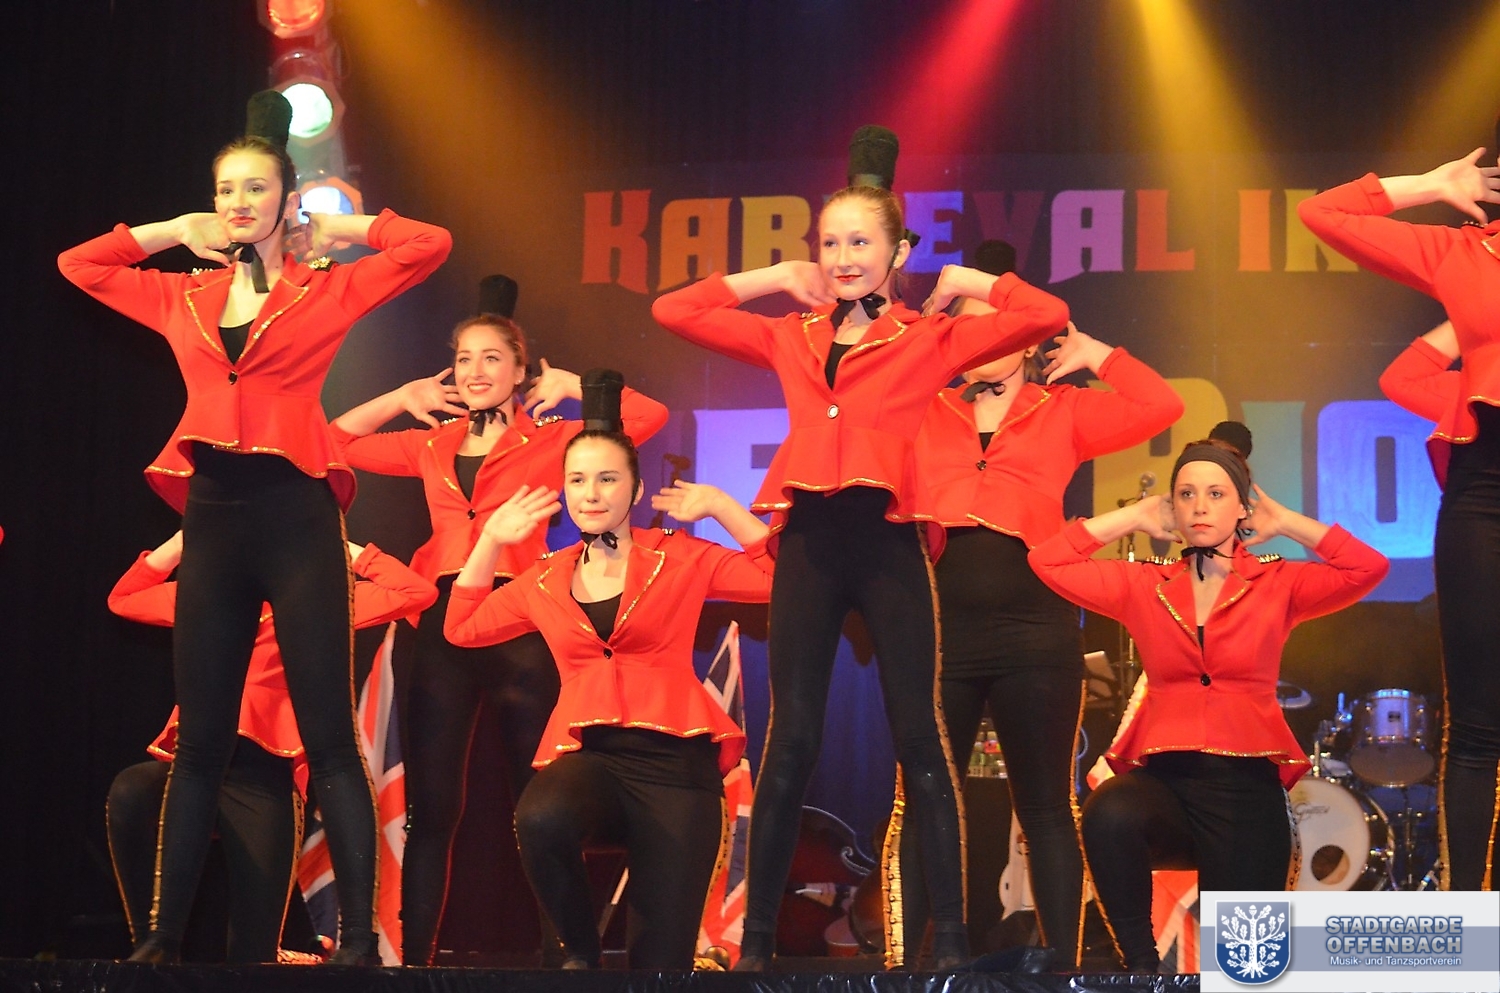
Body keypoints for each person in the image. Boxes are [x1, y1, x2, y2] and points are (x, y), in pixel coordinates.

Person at [651, 128, 1069, 969]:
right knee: (791, 740)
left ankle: (950, 940)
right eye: (830, 244)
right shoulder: (791, 333)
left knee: (921, 738)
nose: (842, 259)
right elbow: (675, 311)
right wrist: (776, 276)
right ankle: (757, 942)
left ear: (898, 251)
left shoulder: (928, 337)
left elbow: (1044, 316)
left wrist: (968, 281)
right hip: (809, 543)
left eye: (860, 243)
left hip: (889, 544)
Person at [57, 90, 452, 963]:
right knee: (199, 740)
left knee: (330, 737)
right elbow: (78, 264)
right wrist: (172, 229)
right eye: (225, 189)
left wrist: (341, 227)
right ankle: (161, 939)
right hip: (215, 518)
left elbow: (429, 245)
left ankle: (359, 941)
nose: (238, 202)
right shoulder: (185, 296)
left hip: (297, 517)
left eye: (255, 188)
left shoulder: (325, 291)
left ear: (284, 199)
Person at [328, 278, 668, 963]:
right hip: (439, 622)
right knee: (432, 807)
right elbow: (333, 440)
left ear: (520, 372)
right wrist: (401, 397)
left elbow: (647, 417)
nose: (475, 371)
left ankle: (562, 957)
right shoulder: (432, 444)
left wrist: (572, 387)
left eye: (492, 358)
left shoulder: (554, 439)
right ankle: (415, 962)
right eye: (464, 359)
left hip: (519, 620)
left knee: (537, 799)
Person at [889, 241, 1183, 971]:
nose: (980, 339)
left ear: (1025, 339)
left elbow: (1162, 405)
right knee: (926, 799)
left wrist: (1096, 354)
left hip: (1036, 629)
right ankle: (908, 970)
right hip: (938, 629)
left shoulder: (1064, 410)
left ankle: (1063, 970)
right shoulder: (920, 408)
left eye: (996, 325)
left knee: (1047, 804)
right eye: (966, 327)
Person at [444, 371, 773, 970]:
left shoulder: (679, 557)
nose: (590, 493)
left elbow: (779, 577)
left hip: (677, 770)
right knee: (540, 816)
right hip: (592, 759)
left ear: (636, 488)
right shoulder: (545, 577)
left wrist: (722, 506)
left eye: (606, 478)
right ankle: (580, 955)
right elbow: (461, 627)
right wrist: (489, 539)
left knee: (659, 967)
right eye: (576, 480)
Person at [1027, 430, 1388, 972]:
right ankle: (1142, 972)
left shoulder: (1276, 582)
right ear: (1172, 507)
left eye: (1216, 494)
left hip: (1246, 792)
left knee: (1244, 968)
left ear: (1242, 507)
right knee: (1109, 810)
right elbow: (1048, 562)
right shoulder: (1143, 584)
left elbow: (1367, 567)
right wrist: (1133, 517)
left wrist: (1286, 521)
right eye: (1186, 494)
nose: (1199, 506)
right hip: (1166, 787)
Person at [1299, 152, 1500, 891]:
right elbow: (1322, 213)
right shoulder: (1462, 253)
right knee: (1477, 726)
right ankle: (1477, 920)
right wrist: (1433, 187)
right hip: (1484, 497)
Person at [105, 531, 437, 963]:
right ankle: (147, 946)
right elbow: (123, 598)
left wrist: (341, 545)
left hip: (266, 779)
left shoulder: (321, 601)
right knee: (130, 790)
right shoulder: (206, 595)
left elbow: (417, 592)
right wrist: (180, 543)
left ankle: (293, 954)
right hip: (195, 766)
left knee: (253, 956)